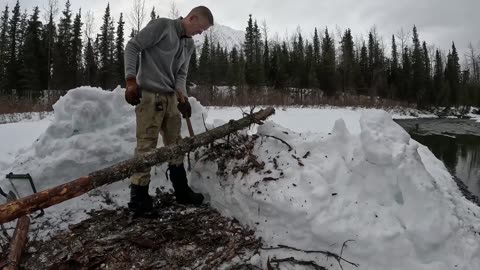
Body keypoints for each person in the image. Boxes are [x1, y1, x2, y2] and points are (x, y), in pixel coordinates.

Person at [124, 6, 214, 215]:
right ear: (192, 18)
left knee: (176, 145)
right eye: (200, 29)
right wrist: (130, 80)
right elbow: (133, 46)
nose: (199, 34)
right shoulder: (162, 26)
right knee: (146, 147)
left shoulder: (189, 44)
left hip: (171, 99)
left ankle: (181, 192)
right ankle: (138, 200)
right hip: (149, 96)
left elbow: (182, 73)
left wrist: (182, 95)